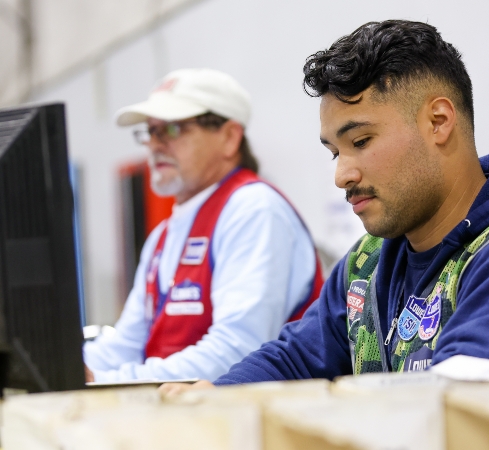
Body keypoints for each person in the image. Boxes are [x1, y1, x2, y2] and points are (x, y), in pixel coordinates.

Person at [161, 20, 489, 394]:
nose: (342, 175)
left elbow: (449, 419)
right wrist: (216, 401)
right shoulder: (369, 262)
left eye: (362, 142)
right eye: (335, 152)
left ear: (438, 122)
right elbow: (293, 361)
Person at [84, 68, 323, 382]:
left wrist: (105, 382)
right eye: (150, 131)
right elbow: (125, 345)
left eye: (171, 129)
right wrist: (64, 371)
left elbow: (236, 353)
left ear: (229, 137)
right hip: (186, 417)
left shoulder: (253, 210)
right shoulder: (163, 236)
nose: (154, 145)